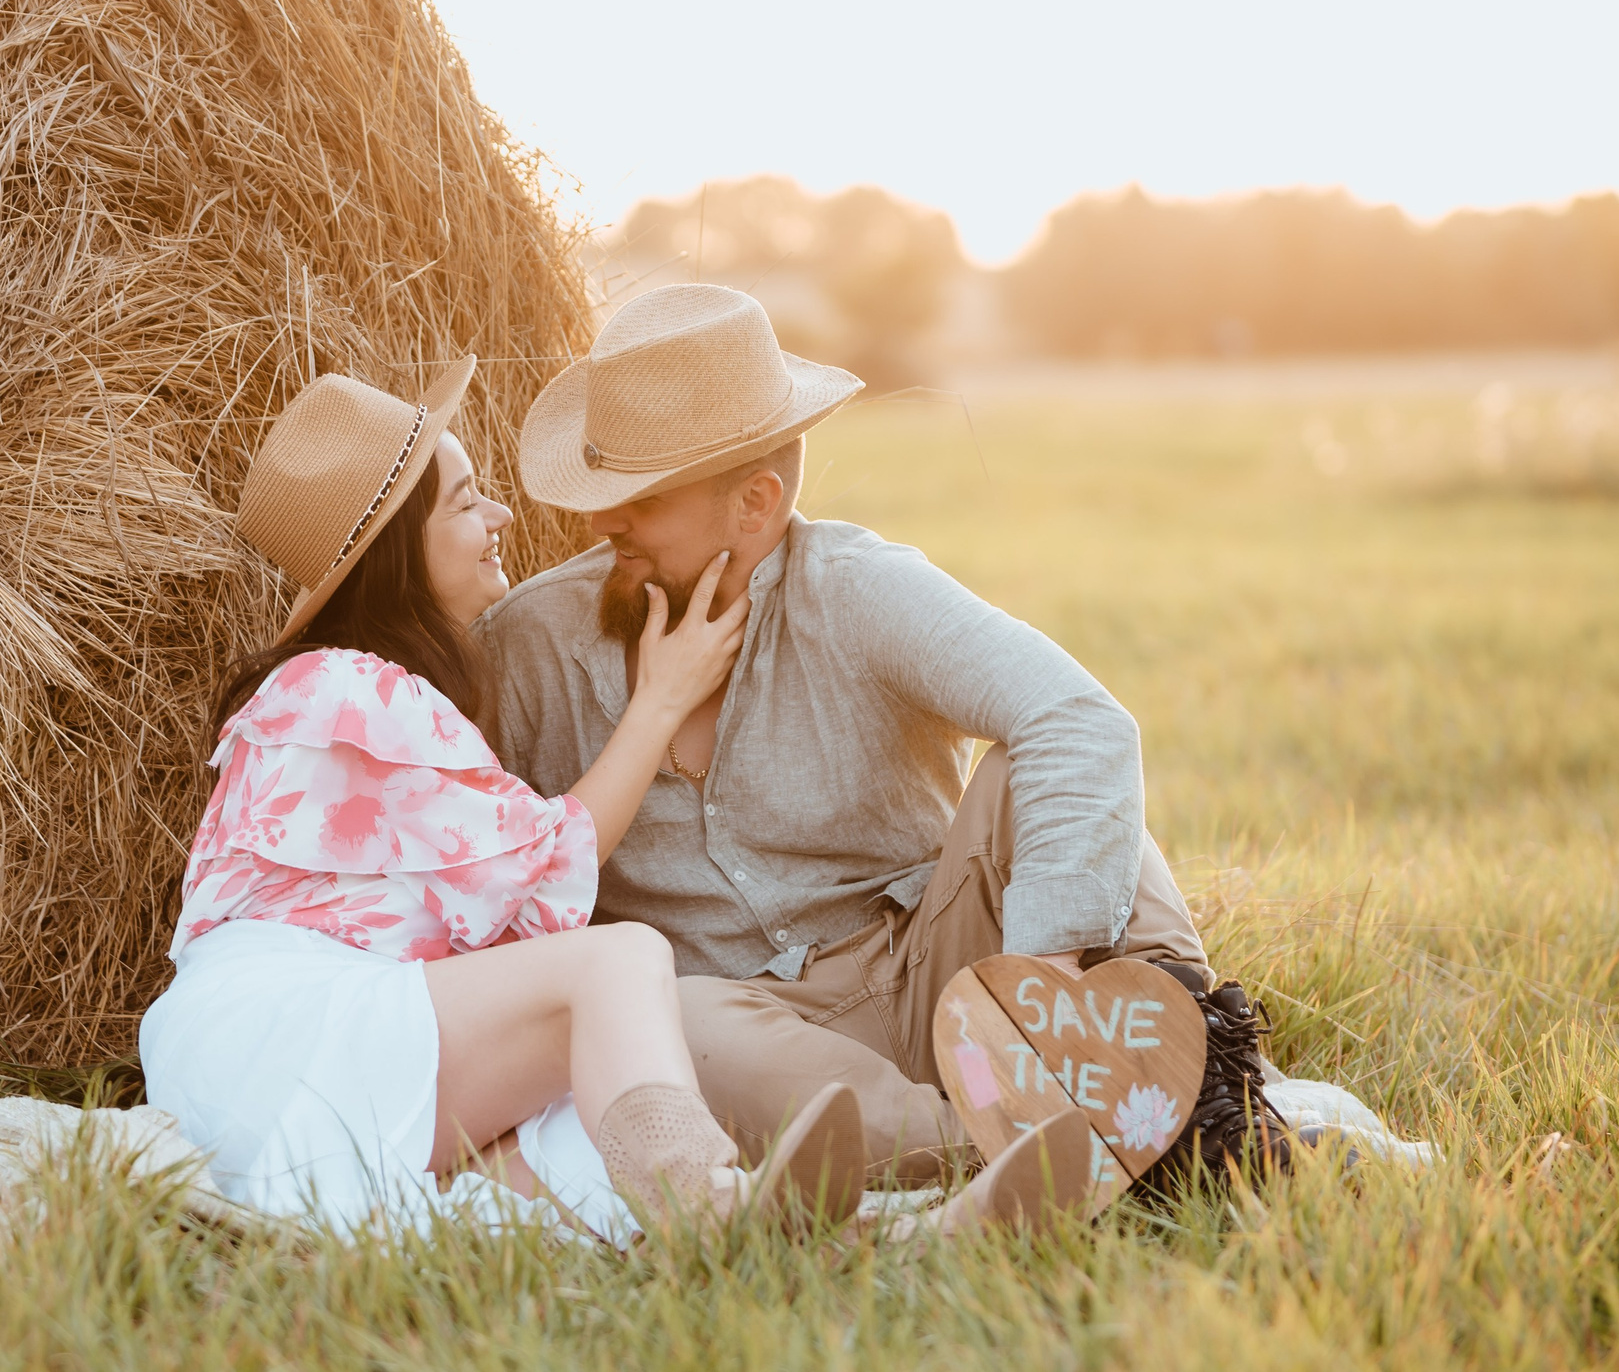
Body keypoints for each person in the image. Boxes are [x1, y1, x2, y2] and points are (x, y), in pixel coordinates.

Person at [140, 357, 1093, 1238]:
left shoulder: (394, 697)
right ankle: (720, 1205)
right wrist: (662, 702)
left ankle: (905, 1231)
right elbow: (551, 870)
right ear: (400, 552)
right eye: (469, 503)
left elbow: (1074, 720)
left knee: (594, 1166)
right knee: (624, 965)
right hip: (295, 1025)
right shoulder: (347, 688)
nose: (509, 517)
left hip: (349, 1035)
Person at [476, 284, 1290, 1190]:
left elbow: (1078, 716)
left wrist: (1039, 977)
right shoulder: (529, 646)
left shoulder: (858, 589)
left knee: (1053, 787)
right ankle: (1034, 1149)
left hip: (940, 956)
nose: (601, 523)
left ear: (756, 503)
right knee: (670, 1011)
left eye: (643, 499)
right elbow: (479, 868)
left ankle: (1209, 1088)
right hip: (754, 1031)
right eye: (603, 491)